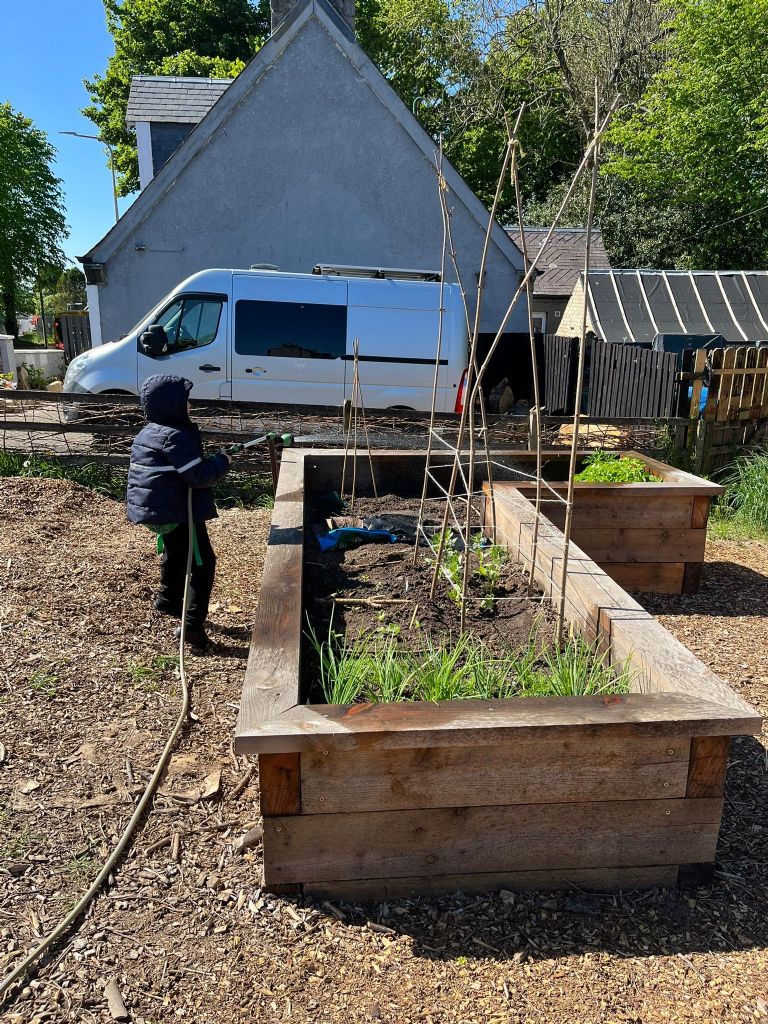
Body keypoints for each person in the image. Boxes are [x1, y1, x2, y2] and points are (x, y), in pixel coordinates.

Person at [126, 374, 230, 650]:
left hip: (154, 510)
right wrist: (223, 461)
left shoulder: (149, 431)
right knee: (202, 563)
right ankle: (192, 626)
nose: (191, 406)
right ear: (173, 405)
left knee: (175, 551)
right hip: (178, 509)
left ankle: (168, 600)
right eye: (187, 402)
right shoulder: (175, 436)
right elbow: (199, 476)